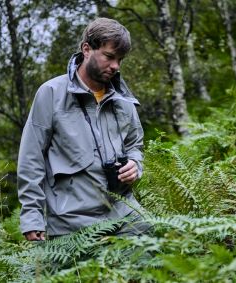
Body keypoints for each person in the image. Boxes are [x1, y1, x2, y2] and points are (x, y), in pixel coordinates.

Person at [17, 18, 148, 241]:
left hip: (125, 214)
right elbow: (31, 159)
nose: (115, 66)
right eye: (109, 56)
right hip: (71, 223)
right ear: (86, 49)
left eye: (120, 60)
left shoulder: (124, 100)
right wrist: (32, 216)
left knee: (156, 255)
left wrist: (135, 164)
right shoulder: (51, 93)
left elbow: (135, 145)